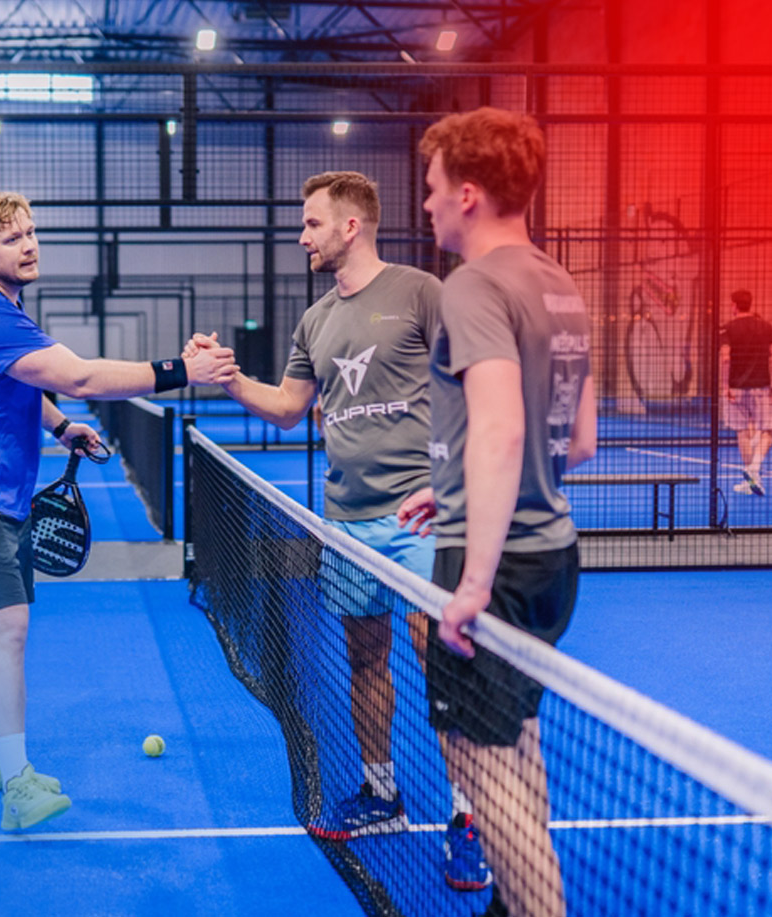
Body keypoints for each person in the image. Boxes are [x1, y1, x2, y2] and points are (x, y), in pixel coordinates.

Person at [185, 170, 489, 887]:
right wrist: (229, 379)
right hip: (346, 522)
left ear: (351, 226)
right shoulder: (314, 321)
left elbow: (478, 385)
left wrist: (453, 478)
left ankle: (467, 815)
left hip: (422, 518)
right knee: (364, 658)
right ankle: (381, 793)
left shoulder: (421, 293)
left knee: (438, 658)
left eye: (312, 223)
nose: (303, 236)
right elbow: (290, 407)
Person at [0, 191, 237, 833]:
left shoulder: (0, 306)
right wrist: (181, 369)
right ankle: (16, 784)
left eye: (32, 233)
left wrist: (61, 427)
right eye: (13, 238)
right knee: (8, 627)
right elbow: (80, 377)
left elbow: (20, 383)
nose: (30, 245)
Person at [398, 108, 597, 917]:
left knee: (482, 768)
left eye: (432, 187)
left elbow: (503, 427)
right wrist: (452, 481)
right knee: (514, 744)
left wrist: (472, 580)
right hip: (552, 558)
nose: (426, 203)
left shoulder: (472, 285)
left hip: (497, 565)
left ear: (468, 194)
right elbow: (576, 439)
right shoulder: (557, 282)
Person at [720, 289, 772, 495]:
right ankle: (754, 469)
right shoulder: (766, 327)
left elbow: (725, 359)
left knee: (742, 432)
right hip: (762, 387)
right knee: (768, 430)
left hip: (736, 388)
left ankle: (751, 473)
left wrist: (725, 386)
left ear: (734, 305)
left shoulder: (727, 329)